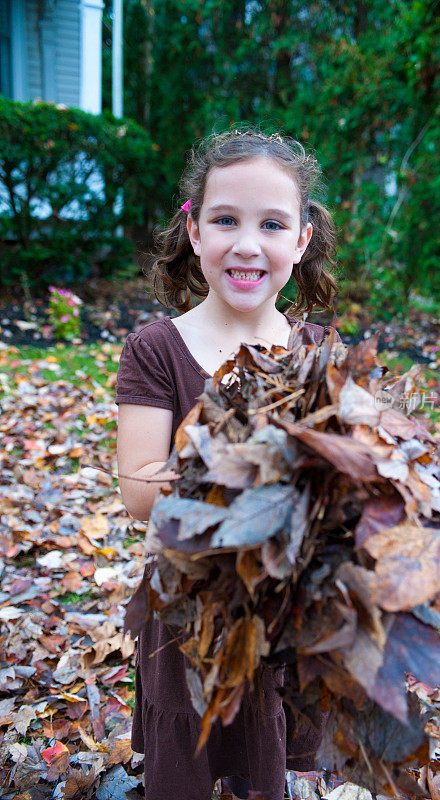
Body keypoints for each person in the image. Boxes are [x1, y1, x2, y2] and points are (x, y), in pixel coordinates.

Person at [116, 129, 340, 800]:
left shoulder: (319, 350)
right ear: (194, 232)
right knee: (191, 753)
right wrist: (247, 466)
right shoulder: (158, 349)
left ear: (301, 240)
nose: (247, 244)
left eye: (271, 223)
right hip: (191, 606)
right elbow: (138, 490)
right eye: (225, 220)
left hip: (287, 602)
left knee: (265, 754)